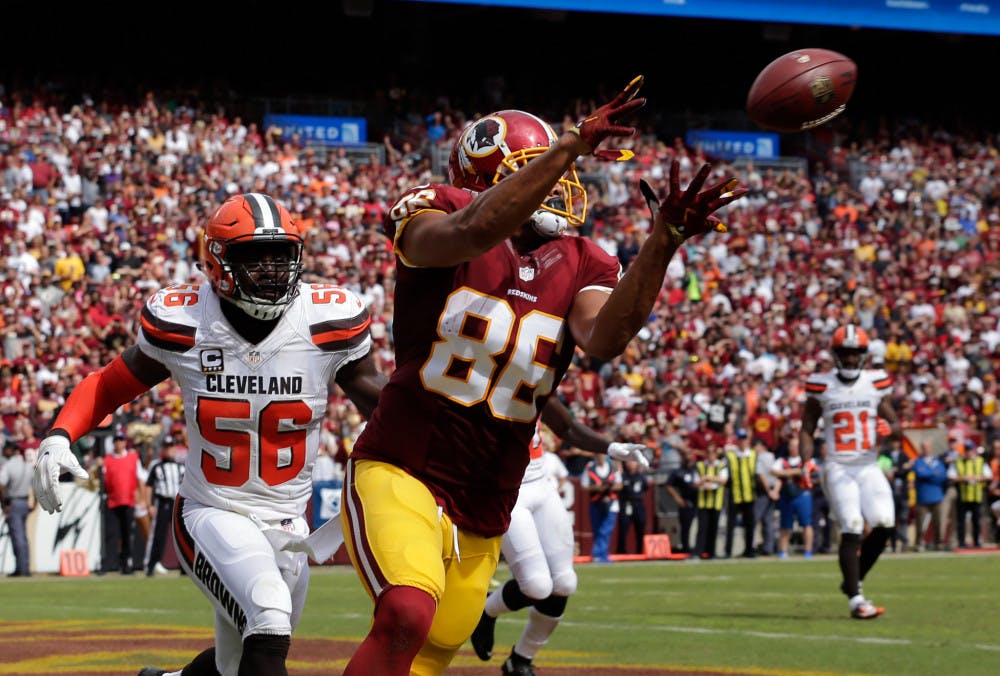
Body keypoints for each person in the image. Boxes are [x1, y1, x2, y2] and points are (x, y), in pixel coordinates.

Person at [339, 76, 746, 675]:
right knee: (405, 613)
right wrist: (570, 145)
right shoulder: (437, 208)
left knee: (432, 653)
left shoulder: (583, 257)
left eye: (559, 169)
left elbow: (603, 338)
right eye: (538, 168)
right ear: (484, 175)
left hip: (490, 490)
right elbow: (472, 233)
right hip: (405, 463)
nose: (561, 181)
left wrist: (663, 241)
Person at [32, 192, 387, 676]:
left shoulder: (328, 321)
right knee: (268, 620)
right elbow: (108, 385)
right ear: (216, 261)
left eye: (280, 254)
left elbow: (383, 405)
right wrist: (58, 434)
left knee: (235, 664)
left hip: (288, 523)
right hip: (211, 511)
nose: (270, 268)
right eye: (253, 256)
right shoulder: (186, 319)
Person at [470, 397, 649, 675]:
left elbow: (566, 427)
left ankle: (521, 660)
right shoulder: (479, 383)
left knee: (564, 582)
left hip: (540, 483)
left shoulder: (534, 374)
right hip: (505, 492)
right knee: (537, 586)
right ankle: (486, 610)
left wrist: (611, 447)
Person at [799, 324, 900, 620]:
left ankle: (851, 581)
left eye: (856, 353)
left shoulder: (875, 382)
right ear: (835, 354)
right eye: (846, 352)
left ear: (865, 355)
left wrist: (889, 428)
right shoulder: (821, 384)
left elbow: (896, 426)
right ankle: (857, 599)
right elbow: (807, 428)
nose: (852, 358)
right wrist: (806, 461)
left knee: (884, 524)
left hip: (868, 464)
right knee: (852, 526)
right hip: (839, 465)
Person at [100, 430, 146, 575]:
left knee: (127, 534)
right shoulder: (107, 459)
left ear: (125, 442)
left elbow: (140, 479)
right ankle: (108, 563)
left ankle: (126, 563)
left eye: (121, 440)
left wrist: (143, 499)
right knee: (111, 534)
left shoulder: (133, 457)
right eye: (116, 440)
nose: (119, 443)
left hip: (128, 500)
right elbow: (101, 479)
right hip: (112, 500)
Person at [144, 435, 185, 576]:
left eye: (171, 447)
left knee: (181, 535)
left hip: (178, 503)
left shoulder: (181, 467)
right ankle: (151, 565)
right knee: (158, 535)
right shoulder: (157, 466)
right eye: (167, 447)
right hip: (163, 502)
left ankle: (184, 567)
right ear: (163, 449)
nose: (169, 450)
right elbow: (148, 486)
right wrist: (149, 505)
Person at [771, 436, 817, 559]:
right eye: (792, 445)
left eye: (797, 446)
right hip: (787, 495)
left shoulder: (806, 460)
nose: (794, 448)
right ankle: (783, 551)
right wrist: (792, 472)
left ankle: (808, 551)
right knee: (785, 525)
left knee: (806, 524)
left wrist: (787, 473)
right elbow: (774, 471)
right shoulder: (782, 460)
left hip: (803, 494)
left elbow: (806, 471)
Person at [581, 452, 622, 564]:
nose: (600, 457)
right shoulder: (590, 467)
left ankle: (598, 554)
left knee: (606, 530)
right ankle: (602, 555)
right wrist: (597, 488)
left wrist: (609, 487)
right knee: (597, 529)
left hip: (610, 503)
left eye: (602, 455)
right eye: (598, 455)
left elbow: (619, 484)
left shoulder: (613, 467)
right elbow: (584, 486)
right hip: (596, 502)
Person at [948, 444, 992, 549]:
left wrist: (977, 478)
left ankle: (977, 542)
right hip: (963, 496)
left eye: (970, 450)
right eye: (967, 450)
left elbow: (988, 475)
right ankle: (961, 542)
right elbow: (951, 476)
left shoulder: (980, 461)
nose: (969, 452)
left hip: (976, 496)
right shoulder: (959, 461)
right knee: (961, 521)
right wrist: (964, 478)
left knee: (976, 520)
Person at [0, 440, 33, 577]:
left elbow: (1, 485)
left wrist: (4, 504)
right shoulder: (28, 466)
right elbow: (36, 485)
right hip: (25, 502)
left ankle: (22, 569)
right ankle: (24, 566)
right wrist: (35, 504)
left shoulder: (8, 466)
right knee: (23, 537)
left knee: (17, 536)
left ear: (11, 450)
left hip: (13, 502)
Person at [912, 438, 950, 551]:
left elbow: (942, 475)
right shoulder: (918, 461)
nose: (926, 449)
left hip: (937, 496)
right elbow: (920, 473)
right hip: (923, 496)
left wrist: (929, 474)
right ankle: (919, 543)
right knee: (920, 523)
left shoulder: (937, 461)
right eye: (924, 447)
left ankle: (938, 543)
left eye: (928, 447)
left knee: (938, 522)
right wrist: (934, 473)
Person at [723, 438, 758, 558]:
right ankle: (728, 551)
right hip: (735, 494)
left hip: (749, 495)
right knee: (730, 525)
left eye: (744, 440)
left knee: (750, 525)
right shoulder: (731, 456)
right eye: (740, 440)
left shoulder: (753, 454)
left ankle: (749, 550)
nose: (742, 443)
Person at [694, 441, 728, 559]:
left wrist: (708, 478)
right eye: (708, 453)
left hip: (716, 501)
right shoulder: (701, 465)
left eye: (712, 453)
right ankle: (698, 552)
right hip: (703, 501)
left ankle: (711, 553)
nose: (710, 455)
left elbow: (724, 480)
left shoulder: (721, 465)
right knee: (702, 528)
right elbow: (695, 482)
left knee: (713, 529)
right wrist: (703, 483)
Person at [665, 446, 699, 555]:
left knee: (699, 527)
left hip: (699, 502)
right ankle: (686, 549)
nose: (688, 456)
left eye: (689, 454)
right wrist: (677, 498)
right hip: (686, 502)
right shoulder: (678, 471)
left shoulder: (698, 468)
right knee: (686, 528)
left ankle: (698, 548)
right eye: (685, 454)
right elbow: (668, 485)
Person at [616, 457, 650, 555]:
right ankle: (621, 552)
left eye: (632, 461)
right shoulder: (622, 476)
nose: (630, 464)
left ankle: (640, 551)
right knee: (623, 529)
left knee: (640, 529)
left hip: (638, 504)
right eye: (628, 462)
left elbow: (646, 487)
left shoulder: (641, 476)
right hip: (626, 504)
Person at [752, 438, 780, 556]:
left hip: (764, 491)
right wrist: (775, 491)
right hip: (772, 489)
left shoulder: (761, 457)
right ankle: (768, 547)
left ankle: (752, 546)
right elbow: (778, 475)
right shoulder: (772, 457)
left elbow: (761, 475)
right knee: (768, 520)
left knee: (755, 519)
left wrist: (768, 490)